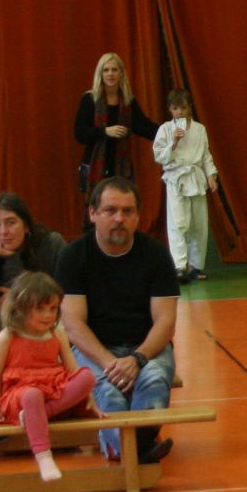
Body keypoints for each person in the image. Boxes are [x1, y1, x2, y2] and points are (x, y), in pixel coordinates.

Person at [56, 177, 180, 464]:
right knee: (106, 390)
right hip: (93, 351)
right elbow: (73, 324)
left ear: (138, 216)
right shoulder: (73, 257)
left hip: (147, 349)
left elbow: (166, 322)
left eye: (127, 211)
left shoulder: (157, 255)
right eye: (110, 210)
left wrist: (137, 359)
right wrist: (110, 362)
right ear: (93, 213)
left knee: (154, 379)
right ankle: (138, 450)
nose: (119, 218)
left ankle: (127, 449)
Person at [0, 271, 97, 482]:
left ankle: (38, 414)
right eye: (40, 308)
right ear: (20, 307)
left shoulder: (57, 333)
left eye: (53, 309)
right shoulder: (8, 336)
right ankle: (44, 456)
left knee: (88, 377)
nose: (48, 315)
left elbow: (73, 370)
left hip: (52, 389)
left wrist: (89, 398)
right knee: (32, 395)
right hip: (20, 393)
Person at [152, 89, 220, 282]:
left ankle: (196, 266)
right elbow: (158, 156)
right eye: (175, 108)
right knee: (178, 223)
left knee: (199, 224)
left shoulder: (199, 129)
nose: (179, 112)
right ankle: (179, 266)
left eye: (183, 108)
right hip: (176, 179)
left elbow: (205, 155)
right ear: (170, 109)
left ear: (189, 107)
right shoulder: (165, 129)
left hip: (195, 177)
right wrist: (173, 143)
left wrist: (211, 175)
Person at [74, 52, 159, 194]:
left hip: (120, 167)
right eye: (106, 70)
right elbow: (80, 133)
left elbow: (145, 127)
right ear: (100, 74)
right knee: (98, 206)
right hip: (95, 167)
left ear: (121, 73)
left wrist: (170, 130)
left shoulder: (128, 101)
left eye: (114, 70)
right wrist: (105, 131)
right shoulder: (89, 99)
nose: (110, 74)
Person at [0, 191, 68, 318]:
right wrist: (9, 257)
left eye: (11, 222)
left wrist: (21, 297)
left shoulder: (51, 244)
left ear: (26, 226)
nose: (3, 231)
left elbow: (66, 294)